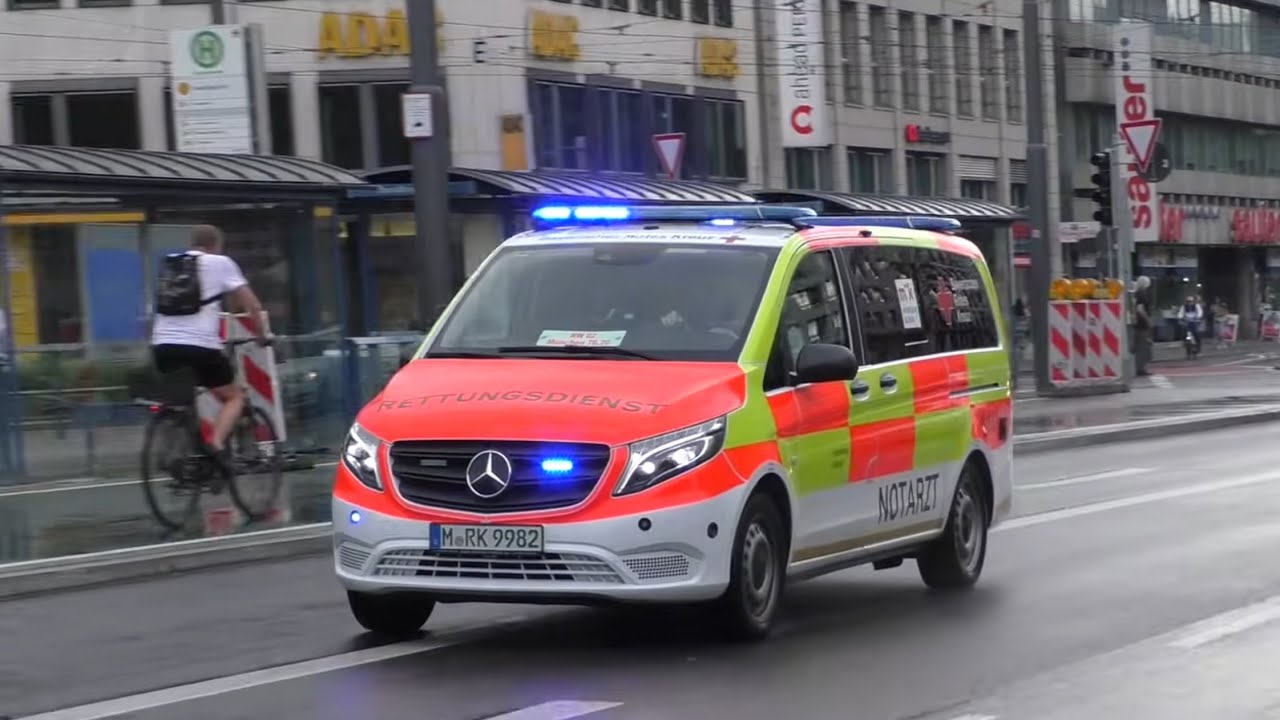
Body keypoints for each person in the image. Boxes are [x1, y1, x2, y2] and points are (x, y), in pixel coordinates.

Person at [151, 225, 268, 466]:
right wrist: (260, 335)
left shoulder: (172, 264)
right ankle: (214, 443)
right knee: (234, 396)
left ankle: (180, 449)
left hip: (162, 345)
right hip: (199, 346)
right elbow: (253, 306)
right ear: (216, 245)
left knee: (183, 398)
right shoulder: (221, 262)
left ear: (194, 244)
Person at [1133, 276, 1153, 376]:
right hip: (1142, 324)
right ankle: (1140, 369)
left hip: (1137, 324)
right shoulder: (1142, 294)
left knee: (1140, 346)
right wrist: (1148, 320)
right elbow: (1140, 309)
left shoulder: (1136, 293)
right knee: (1143, 346)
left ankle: (1140, 367)